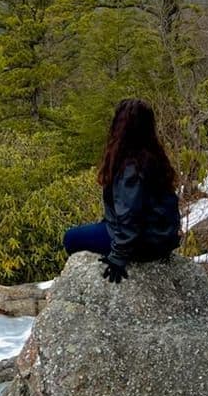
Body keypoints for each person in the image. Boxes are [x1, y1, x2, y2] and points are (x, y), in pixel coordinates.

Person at [62, 98, 181, 284]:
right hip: (162, 240)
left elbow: (130, 216)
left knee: (71, 238)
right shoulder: (155, 159)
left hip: (142, 244)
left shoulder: (130, 166)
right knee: (93, 229)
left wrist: (118, 256)